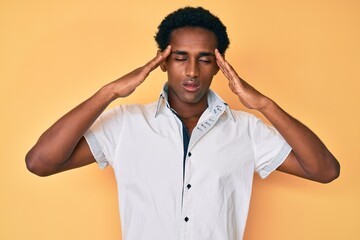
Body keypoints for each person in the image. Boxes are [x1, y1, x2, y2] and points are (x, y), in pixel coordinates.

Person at [25, 6, 340, 240]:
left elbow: (325, 170)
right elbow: (40, 162)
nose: (192, 71)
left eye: (204, 59)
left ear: (218, 66)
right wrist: (111, 92)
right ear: (162, 62)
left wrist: (264, 105)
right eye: (180, 58)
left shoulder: (246, 130)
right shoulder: (125, 125)